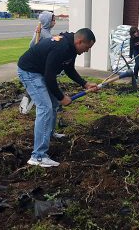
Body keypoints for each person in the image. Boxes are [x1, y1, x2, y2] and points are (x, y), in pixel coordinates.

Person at [17, 28, 98, 167]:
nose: (87, 51)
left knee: (53, 105)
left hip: (41, 71)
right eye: (87, 47)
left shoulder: (72, 47)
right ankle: (38, 156)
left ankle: (49, 134)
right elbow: (49, 77)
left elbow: (69, 68)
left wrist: (85, 84)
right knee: (45, 108)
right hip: (30, 72)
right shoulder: (61, 47)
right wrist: (61, 97)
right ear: (79, 41)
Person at [20, 11, 57, 115]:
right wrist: (37, 34)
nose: (55, 22)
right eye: (53, 20)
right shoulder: (42, 32)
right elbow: (32, 45)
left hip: (43, 63)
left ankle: (35, 102)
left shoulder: (47, 31)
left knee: (40, 84)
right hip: (38, 64)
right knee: (38, 85)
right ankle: (25, 104)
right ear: (47, 21)